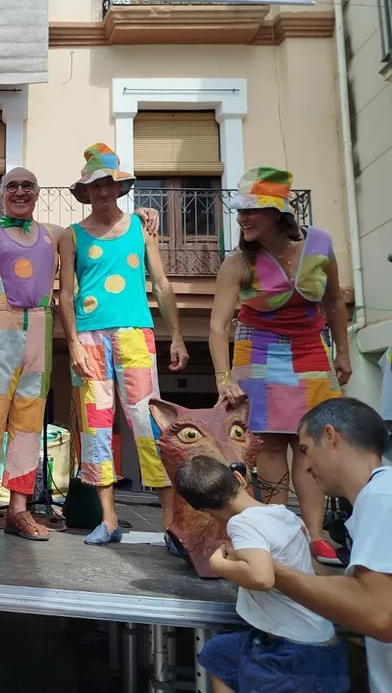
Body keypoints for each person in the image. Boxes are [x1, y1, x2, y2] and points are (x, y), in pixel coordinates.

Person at [0, 165, 159, 541]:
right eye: (12, 186)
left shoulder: (57, 235)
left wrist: (142, 216)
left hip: (40, 327)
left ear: (37, 192)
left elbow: (104, 227)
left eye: (27, 186)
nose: (20, 192)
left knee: (30, 424)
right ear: (2, 193)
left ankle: (18, 509)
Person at [210, 167, 351, 567]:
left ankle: (317, 536)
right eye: (240, 213)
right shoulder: (238, 261)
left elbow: (335, 303)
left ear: (278, 213)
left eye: (253, 211)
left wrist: (342, 353)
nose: (244, 219)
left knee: (310, 446)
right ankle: (277, 532)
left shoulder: (320, 243)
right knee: (270, 444)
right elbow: (219, 326)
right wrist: (223, 378)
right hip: (258, 354)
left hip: (310, 350)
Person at [64, 144, 188, 546]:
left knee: (148, 424)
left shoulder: (141, 228)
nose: (102, 191)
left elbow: (162, 283)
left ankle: (171, 524)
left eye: (109, 184)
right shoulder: (73, 236)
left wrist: (178, 336)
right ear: (87, 191)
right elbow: (64, 296)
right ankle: (110, 520)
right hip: (89, 337)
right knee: (96, 427)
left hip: (136, 334)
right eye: (95, 185)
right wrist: (73, 344)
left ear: (120, 188)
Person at [173, 455, 350, 693]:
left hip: (293, 655)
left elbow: (261, 577)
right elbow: (313, 567)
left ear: (203, 511)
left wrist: (218, 564)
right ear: (239, 477)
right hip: (318, 643)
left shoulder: (242, 524)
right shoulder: (284, 515)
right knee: (219, 653)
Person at [274, 398, 392, 692]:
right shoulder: (378, 495)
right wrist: (311, 568)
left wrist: (272, 573)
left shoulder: (381, 497)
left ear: (329, 436)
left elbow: (379, 614)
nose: (306, 466)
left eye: (304, 451)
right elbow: (366, 596)